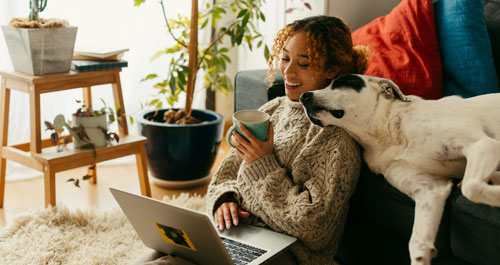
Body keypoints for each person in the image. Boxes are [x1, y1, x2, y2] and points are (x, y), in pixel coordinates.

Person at [131, 15, 369, 265]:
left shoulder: (335, 135)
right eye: (285, 58)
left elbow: (314, 227)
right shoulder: (273, 109)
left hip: (288, 254)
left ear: (332, 69)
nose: (287, 71)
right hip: (239, 234)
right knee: (156, 253)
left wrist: (262, 162)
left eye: (304, 63)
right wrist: (225, 200)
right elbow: (225, 175)